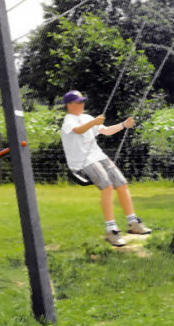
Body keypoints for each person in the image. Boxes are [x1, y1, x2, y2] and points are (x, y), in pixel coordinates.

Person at [59, 90, 152, 247]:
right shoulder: (69, 120)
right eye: (79, 102)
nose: (82, 104)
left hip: (98, 156)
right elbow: (79, 130)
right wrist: (94, 123)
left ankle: (133, 223)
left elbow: (106, 131)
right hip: (81, 161)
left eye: (83, 101)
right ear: (69, 105)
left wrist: (123, 125)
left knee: (121, 183)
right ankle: (111, 230)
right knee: (107, 186)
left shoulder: (87, 117)